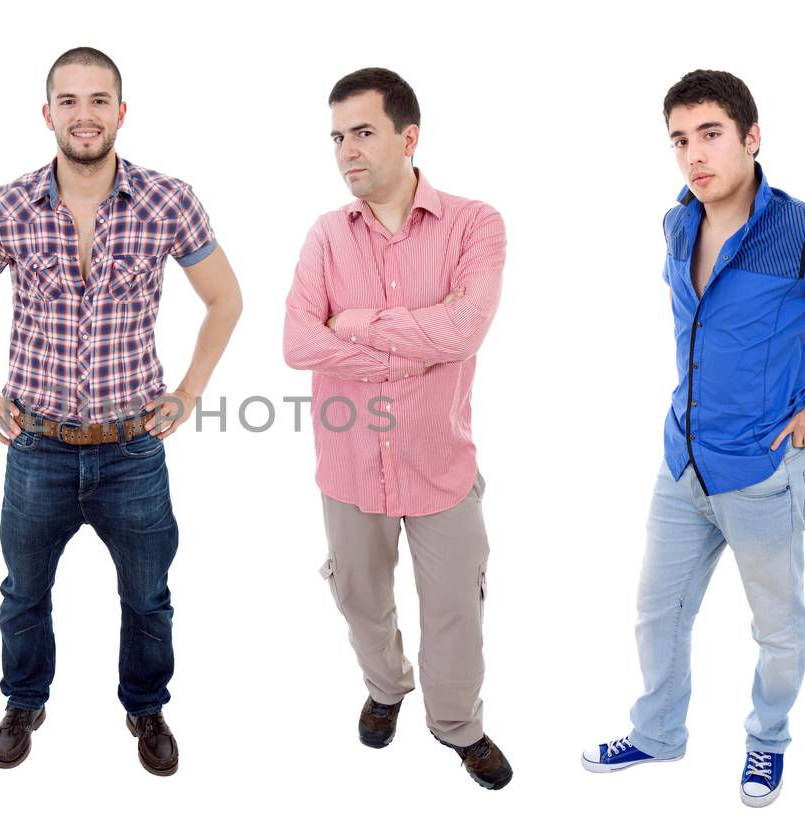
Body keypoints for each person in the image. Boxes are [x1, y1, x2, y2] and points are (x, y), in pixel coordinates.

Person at [581, 69, 805, 809]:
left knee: (778, 630)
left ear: (751, 138)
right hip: (682, 462)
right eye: (678, 140)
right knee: (655, 610)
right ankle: (658, 733)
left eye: (710, 135)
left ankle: (766, 747)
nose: (694, 155)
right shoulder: (676, 222)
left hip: (762, 473)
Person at [0, 46, 242, 776]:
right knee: (23, 593)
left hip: (132, 449)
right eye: (69, 101)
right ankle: (23, 700)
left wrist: (189, 392)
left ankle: (146, 708)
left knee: (147, 597)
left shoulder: (168, 200)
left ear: (121, 113)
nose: (84, 115)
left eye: (98, 100)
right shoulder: (6, 205)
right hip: (36, 447)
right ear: (48, 114)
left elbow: (225, 298)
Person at [283, 67, 513, 790]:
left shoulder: (476, 224)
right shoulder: (325, 235)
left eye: (363, 132)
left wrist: (351, 325)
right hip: (348, 468)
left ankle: (457, 725)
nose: (347, 150)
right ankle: (386, 688)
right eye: (337, 137)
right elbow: (296, 344)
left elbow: (467, 328)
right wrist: (418, 336)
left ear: (408, 137)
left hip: (439, 462)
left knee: (454, 610)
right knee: (358, 596)